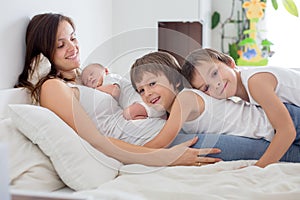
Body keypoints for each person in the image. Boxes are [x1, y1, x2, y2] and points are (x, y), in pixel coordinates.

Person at [15, 13, 300, 168]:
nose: (72, 47)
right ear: (43, 50)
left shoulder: (91, 77)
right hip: (179, 140)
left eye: (73, 38)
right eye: (60, 43)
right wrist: (160, 157)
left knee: (271, 127)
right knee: (283, 152)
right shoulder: (53, 86)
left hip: (185, 124)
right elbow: (97, 141)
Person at [130, 51, 300, 168]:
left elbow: (161, 141)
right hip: (270, 132)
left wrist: (128, 154)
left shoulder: (186, 99)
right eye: (141, 91)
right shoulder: (185, 103)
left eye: (152, 83)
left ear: (175, 80)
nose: (147, 93)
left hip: (284, 124)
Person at [181, 48, 300, 167]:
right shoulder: (246, 89)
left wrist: (258, 167)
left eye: (215, 73)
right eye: (206, 87)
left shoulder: (255, 82)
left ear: (229, 62)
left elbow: (287, 131)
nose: (216, 84)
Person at [81, 63, 166, 120]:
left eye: (91, 74)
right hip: (146, 106)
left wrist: (94, 89)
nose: (89, 78)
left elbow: (114, 91)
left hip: (143, 102)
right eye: (86, 81)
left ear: (105, 71)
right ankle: (154, 117)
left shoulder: (109, 78)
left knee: (126, 114)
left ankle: (149, 115)